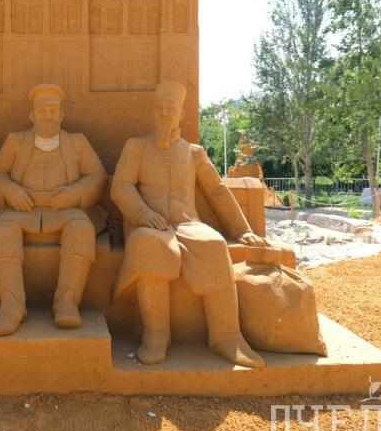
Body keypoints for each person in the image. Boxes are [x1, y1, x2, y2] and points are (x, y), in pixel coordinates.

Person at [110, 80, 268, 367]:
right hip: (148, 224)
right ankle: (156, 335)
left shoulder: (194, 152)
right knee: (149, 246)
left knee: (214, 245)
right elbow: (121, 186)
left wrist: (242, 229)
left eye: (170, 108)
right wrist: (142, 214)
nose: (164, 113)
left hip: (187, 224)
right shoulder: (137, 147)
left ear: (181, 114)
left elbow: (217, 191)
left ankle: (227, 337)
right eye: (159, 108)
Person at [0, 83, 107, 336]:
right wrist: (11, 191)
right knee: (2, 232)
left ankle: (67, 302)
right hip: (21, 210)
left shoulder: (77, 142)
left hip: (65, 210)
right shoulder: (16, 141)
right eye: (42, 110)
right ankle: (11, 306)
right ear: (33, 115)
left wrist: (76, 193)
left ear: (61, 115)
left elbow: (96, 176)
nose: (48, 115)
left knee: (81, 229)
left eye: (53, 110)